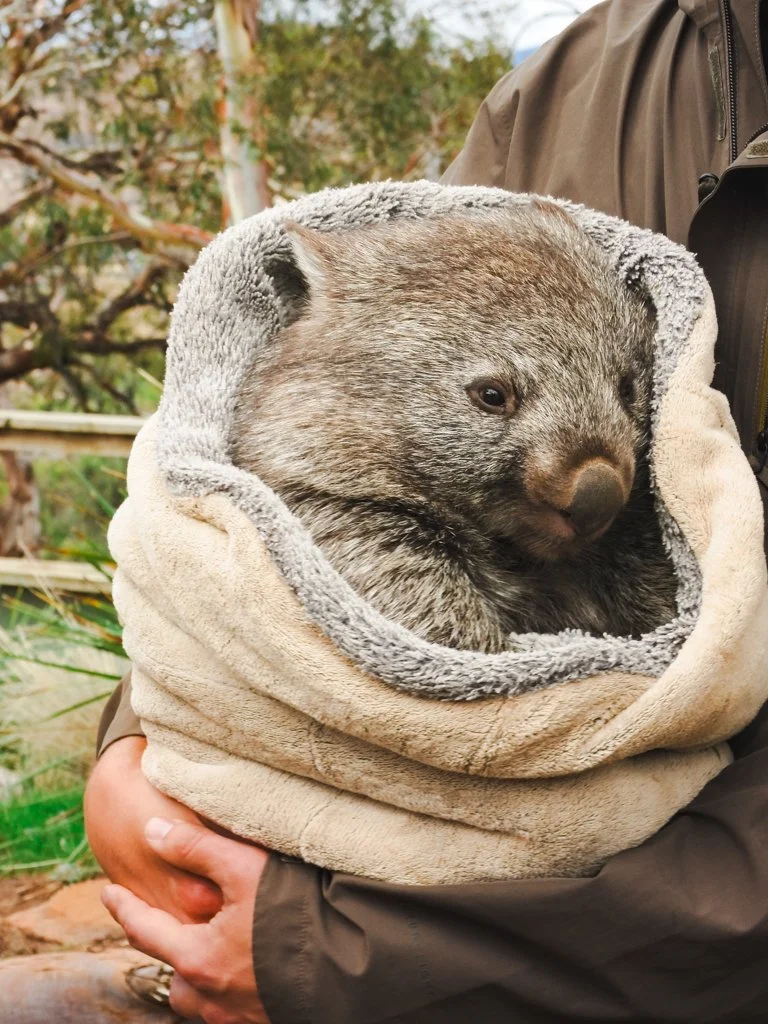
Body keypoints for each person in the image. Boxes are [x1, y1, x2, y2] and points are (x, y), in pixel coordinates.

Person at [86, 0, 768, 1020]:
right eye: (496, 400)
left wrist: (344, 955)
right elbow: (257, 497)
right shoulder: (571, 89)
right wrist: (140, 736)